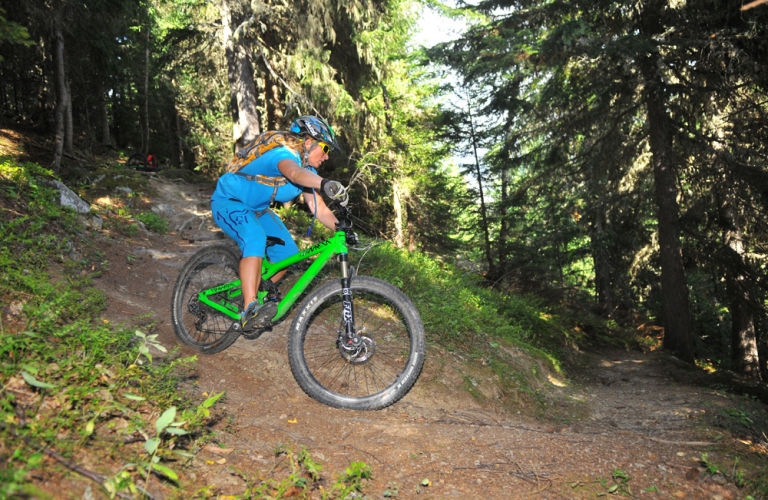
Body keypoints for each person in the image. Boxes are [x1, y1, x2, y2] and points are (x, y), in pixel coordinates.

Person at [210, 115, 348, 331]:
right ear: (309, 142)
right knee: (255, 237)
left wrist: (343, 229)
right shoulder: (282, 155)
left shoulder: (309, 172)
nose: (327, 157)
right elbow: (294, 173)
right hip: (229, 202)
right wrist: (325, 183)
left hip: (257, 210)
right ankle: (249, 309)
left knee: (288, 255)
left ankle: (257, 295)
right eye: (326, 149)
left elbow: (318, 208)